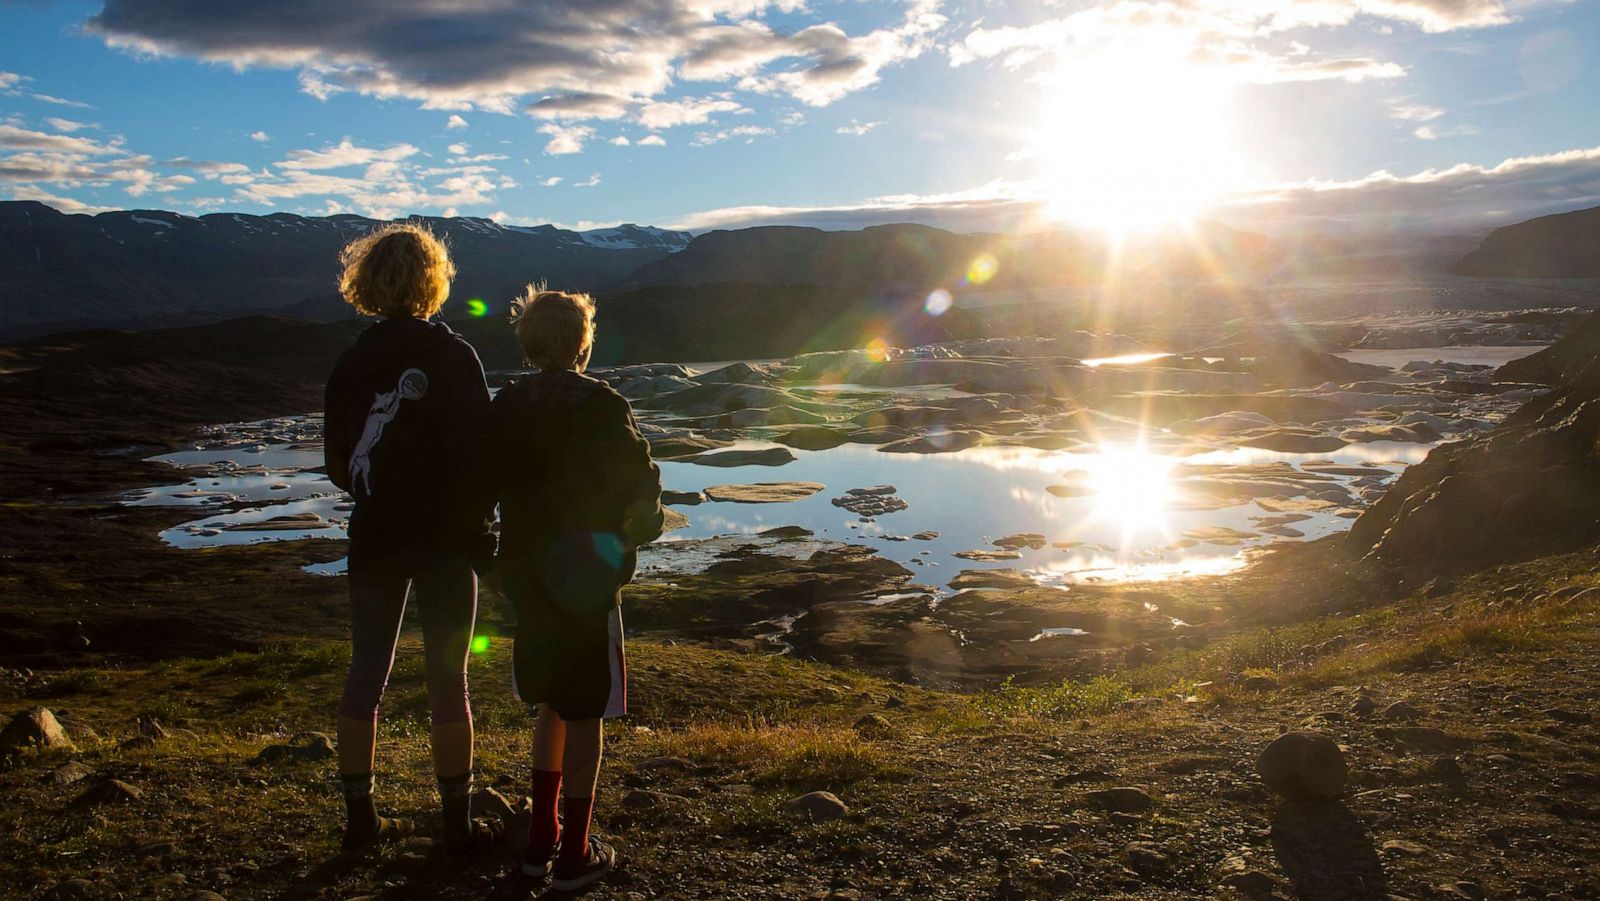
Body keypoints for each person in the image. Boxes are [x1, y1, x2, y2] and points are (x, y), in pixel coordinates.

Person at [323, 223, 501, 854]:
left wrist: (378, 495)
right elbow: (484, 453)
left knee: (367, 669)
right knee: (447, 677)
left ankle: (360, 820)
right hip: (447, 540)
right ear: (435, 280)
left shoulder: (351, 363)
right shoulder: (455, 357)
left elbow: (340, 462)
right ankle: (456, 824)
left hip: (375, 534)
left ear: (366, 283)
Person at [490, 287, 664, 890]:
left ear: (527, 342)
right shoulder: (604, 407)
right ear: (583, 343)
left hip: (528, 580)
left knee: (550, 703)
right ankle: (576, 854)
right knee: (586, 709)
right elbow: (643, 492)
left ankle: (540, 843)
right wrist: (637, 532)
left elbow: (487, 483)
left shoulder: (507, 406)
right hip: (588, 581)